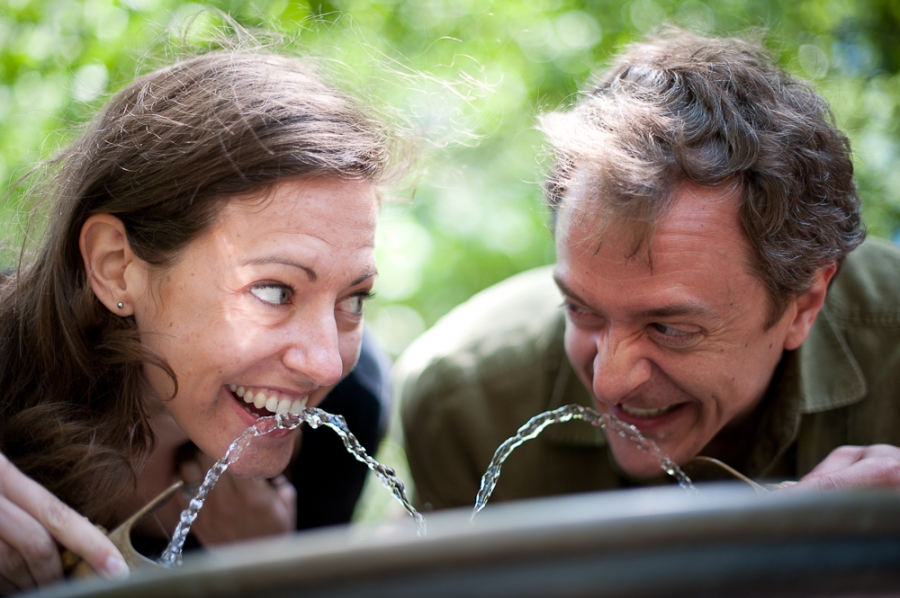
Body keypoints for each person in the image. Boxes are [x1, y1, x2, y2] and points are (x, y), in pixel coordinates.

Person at [397, 28, 900, 512]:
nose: (608, 383)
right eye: (581, 309)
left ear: (804, 304)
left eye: (669, 328)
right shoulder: (463, 405)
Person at [0, 48, 400, 593]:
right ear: (116, 268)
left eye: (353, 299)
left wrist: (272, 578)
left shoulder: (350, 406)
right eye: (274, 291)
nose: (325, 363)